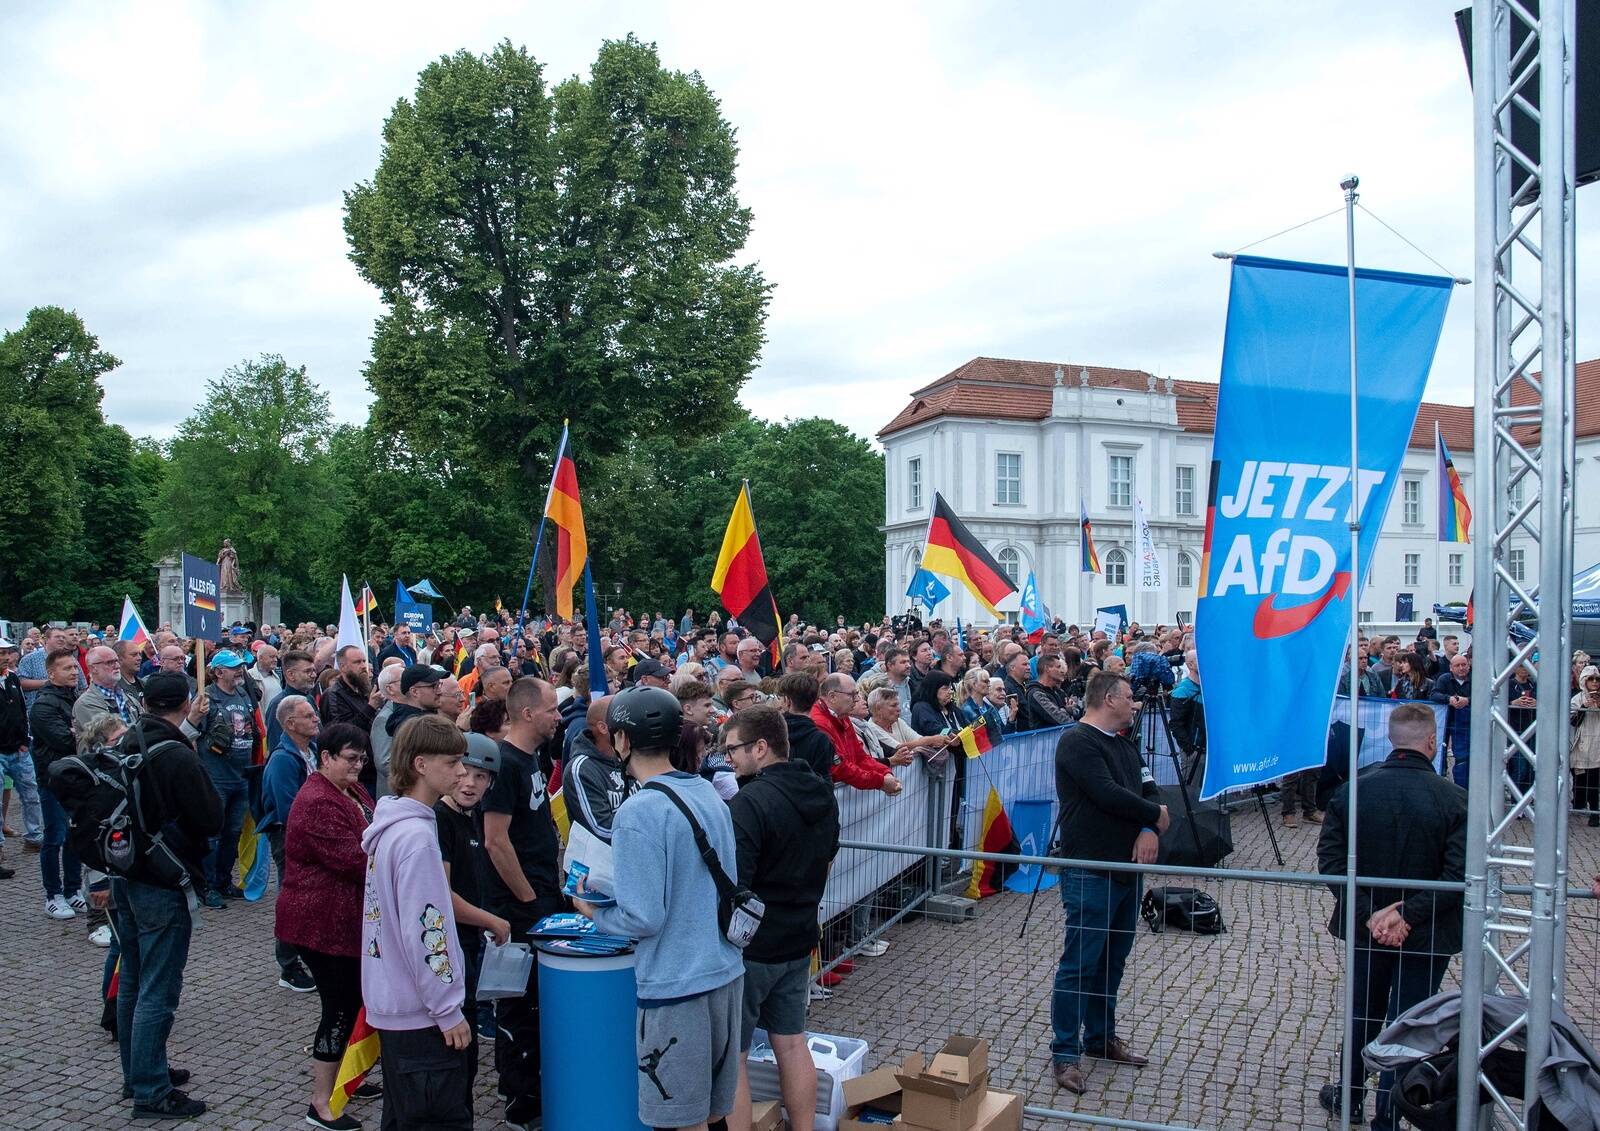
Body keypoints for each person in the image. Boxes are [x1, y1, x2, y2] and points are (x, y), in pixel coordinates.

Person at [574, 686, 745, 1131]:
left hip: (676, 984)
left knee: (679, 1118)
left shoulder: (639, 810)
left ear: (623, 740)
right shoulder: (708, 793)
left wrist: (592, 911)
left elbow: (642, 917)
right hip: (724, 971)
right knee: (710, 1112)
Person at [1316, 702, 1467, 1131]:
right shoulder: (1455, 799)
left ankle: (1351, 1095)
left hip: (1374, 929)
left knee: (1364, 1010)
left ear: (1392, 739)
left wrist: (1371, 917)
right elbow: (1456, 874)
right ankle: (1390, 1110)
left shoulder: (1353, 790)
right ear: (1433, 742)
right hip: (1427, 931)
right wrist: (1404, 918)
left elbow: (1331, 862)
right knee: (1411, 1019)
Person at [107, 671, 224, 1119]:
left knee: (134, 979)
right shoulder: (175, 753)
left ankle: (138, 1072)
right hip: (163, 877)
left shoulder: (127, 740)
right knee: (159, 987)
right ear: (185, 702)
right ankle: (151, 1091)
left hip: (126, 871)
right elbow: (210, 818)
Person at [1049, 670, 1168, 1096]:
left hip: (1125, 871)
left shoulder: (1127, 745)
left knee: (1112, 961)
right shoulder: (1077, 742)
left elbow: (1150, 790)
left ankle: (1100, 1038)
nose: (1135, 704)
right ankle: (1065, 1052)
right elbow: (1105, 793)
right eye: (1130, 697)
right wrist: (1153, 817)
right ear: (1109, 698)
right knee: (1080, 964)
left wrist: (1151, 829)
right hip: (1089, 871)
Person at [723, 706, 840, 1131]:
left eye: (733, 748)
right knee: (792, 1043)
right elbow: (827, 858)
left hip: (755, 946)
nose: (727, 758)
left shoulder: (749, 802)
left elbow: (737, 883)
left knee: (732, 1056)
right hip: (799, 934)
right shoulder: (821, 791)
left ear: (761, 746)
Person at [360, 714, 474, 1130]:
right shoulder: (417, 839)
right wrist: (447, 1009)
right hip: (421, 1014)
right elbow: (427, 933)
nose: (462, 772)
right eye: (452, 762)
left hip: (396, 1003)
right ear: (421, 765)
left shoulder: (391, 829)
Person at [275, 721, 377, 1130]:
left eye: (362, 759)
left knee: (353, 1002)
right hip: (320, 922)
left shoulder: (349, 789)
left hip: (344, 918)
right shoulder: (317, 799)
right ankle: (320, 1103)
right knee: (340, 1006)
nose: (357, 767)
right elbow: (355, 860)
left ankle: (348, 1075)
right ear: (326, 758)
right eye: (350, 759)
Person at [481, 677, 564, 1131]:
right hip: (517, 908)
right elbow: (496, 842)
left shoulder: (533, 757)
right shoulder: (504, 764)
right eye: (551, 709)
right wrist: (529, 901)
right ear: (528, 713)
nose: (558, 715)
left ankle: (532, 1085)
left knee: (537, 1003)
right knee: (517, 1002)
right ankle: (519, 1103)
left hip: (541, 897)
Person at [434, 732, 512, 1080]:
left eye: (481, 777)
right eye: (464, 772)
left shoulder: (473, 815)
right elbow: (441, 894)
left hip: (469, 938)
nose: (470, 783)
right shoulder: (440, 820)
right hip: (450, 942)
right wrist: (490, 920)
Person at [258, 694, 323, 993]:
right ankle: (288, 963)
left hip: (311, 833)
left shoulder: (310, 751)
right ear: (290, 723)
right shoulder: (283, 759)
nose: (315, 719)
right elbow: (289, 809)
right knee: (292, 898)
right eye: (308, 716)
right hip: (290, 836)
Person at [192, 649, 260, 908]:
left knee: (232, 833)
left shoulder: (243, 694)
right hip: (215, 776)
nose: (239, 671)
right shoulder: (206, 697)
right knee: (213, 834)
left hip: (241, 775)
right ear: (218, 672)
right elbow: (193, 734)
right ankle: (207, 885)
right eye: (234, 667)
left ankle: (223, 880)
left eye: (240, 666)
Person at [28, 646, 89, 918]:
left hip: (74, 778)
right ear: (51, 674)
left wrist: (80, 733)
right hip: (53, 779)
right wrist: (81, 733)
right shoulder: (43, 704)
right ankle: (52, 894)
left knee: (75, 835)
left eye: (75, 667)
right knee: (55, 836)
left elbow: (81, 734)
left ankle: (73, 890)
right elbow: (66, 740)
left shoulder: (74, 697)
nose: (74, 671)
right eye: (68, 668)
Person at [0, 637, 43, 873]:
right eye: (1, 653)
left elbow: (21, 710)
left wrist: (25, 740)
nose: (6, 657)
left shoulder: (13, 678)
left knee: (31, 794)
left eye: (7, 652)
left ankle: (34, 837)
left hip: (19, 749)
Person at [565, 695, 633, 842]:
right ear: (603, 727)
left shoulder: (634, 755)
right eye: (623, 715)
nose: (632, 722)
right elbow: (601, 829)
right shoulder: (581, 769)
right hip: (605, 861)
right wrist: (652, 831)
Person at [1431, 653, 1473, 786]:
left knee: (1465, 759)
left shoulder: (1476, 678)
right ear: (1451, 668)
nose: (1461, 668)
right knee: (1442, 755)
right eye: (1457, 665)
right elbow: (1433, 694)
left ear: (1469, 665)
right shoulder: (1444, 679)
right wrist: (1448, 699)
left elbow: (1486, 696)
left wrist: (1468, 701)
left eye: (1464, 665)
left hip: (1469, 725)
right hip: (1447, 722)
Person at [368, 664, 405, 798]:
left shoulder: (402, 713)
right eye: (403, 679)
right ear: (390, 688)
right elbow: (384, 763)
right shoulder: (384, 718)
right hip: (395, 795)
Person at [1018, 654, 1078, 731]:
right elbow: (1060, 719)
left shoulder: (1058, 691)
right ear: (1047, 669)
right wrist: (1067, 710)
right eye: (1058, 667)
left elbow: (1077, 711)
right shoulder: (1036, 693)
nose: (1062, 671)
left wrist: (1066, 710)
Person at [1572, 667, 1600, 827]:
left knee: (1595, 780)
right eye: (1591, 679)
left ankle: (1595, 813)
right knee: (1584, 779)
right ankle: (1583, 806)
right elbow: (1573, 722)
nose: (1594, 682)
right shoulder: (1577, 698)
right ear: (1584, 681)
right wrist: (1583, 706)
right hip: (1584, 744)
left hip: (1598, 743)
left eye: (1597, 679)